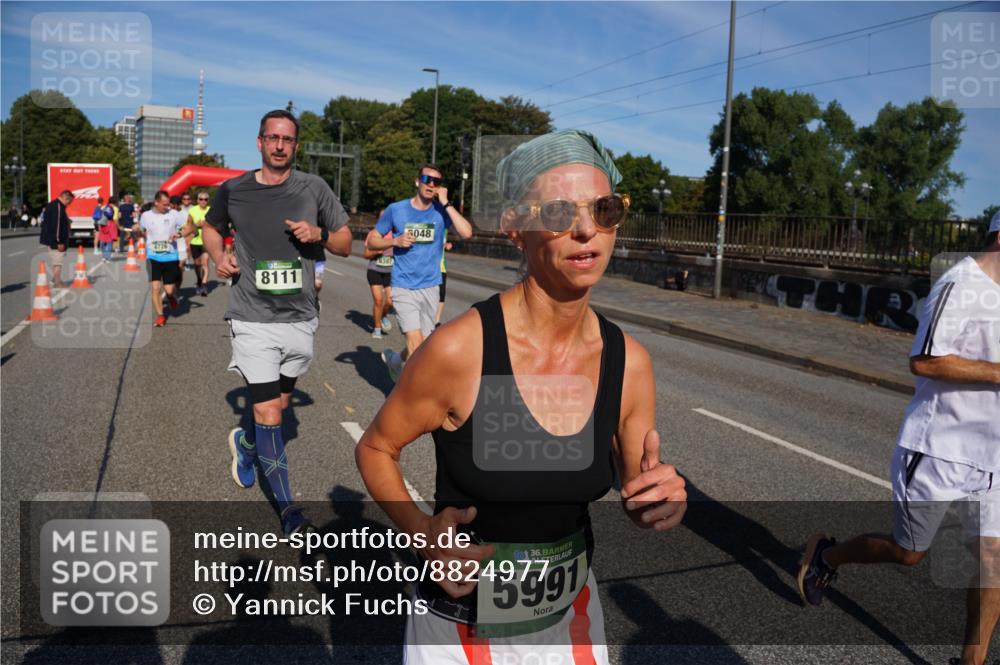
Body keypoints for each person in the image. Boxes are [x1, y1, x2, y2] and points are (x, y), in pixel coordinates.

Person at [355, 129, 686, 663]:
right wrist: (421, 532)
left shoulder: (630, 362)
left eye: (603, 209)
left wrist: (657, 500)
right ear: (516, 230)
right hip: (460, 630)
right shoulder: (462, 349)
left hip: (573, 621)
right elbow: (374, 447)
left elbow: (634, 489)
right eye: (557, 213)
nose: (585, 230)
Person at [799, 212, 1000, 665]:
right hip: (937, 450)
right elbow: (925, 361)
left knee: (993, 558)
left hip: (994, 460)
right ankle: (828, 556)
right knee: (909, 553)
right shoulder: (960, 285)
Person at [203, 109, 352, 536]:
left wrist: (318, 234)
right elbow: (212, 230)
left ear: (296, 145)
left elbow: (345, 242)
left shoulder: (314, 188)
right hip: (251, 316)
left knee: (281, 406)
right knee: (270, 413)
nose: (280, 145)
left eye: (287, 139)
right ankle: (290, 511)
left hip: (301, 317)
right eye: (272, 138)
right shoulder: (234, 189)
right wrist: (218, 256)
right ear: (260, 142)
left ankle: (245, 444)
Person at [367, 164, 473, 381]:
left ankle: (395, 361)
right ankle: (412, 399)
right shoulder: (396, 210)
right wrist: (395, 240)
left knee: (424, 344)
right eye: (427, 179)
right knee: (415, 343)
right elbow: (372, 240)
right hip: (403, 286)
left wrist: (446, 203)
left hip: (431, 286)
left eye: (436, 181)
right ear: (418, 181)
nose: (431, 184)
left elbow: (466, 233)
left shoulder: (442, 212)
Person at [135, 190, 189, 327]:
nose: (167, 207)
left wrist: (179, 233)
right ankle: (160, 315)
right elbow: (140, 232)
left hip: (171, 256)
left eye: (168, 204)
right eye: (164, 204)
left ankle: (171, 297)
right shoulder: (146, 216)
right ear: (156, 202)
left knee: (169, 290)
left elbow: (188, 227)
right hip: (153, 256)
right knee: (155, 287)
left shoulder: (174, 214)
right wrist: (136, 230)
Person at [363, 213, 394, 339]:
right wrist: (376, 251)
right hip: (375, 270)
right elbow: (365, 254)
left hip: (391, 272)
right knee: (378, 300)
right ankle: (377, 329)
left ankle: (383, 315)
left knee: (390, 301)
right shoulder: (373, 234)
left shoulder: (396, 233)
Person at [39, 190, 74, 288]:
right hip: (56, 241)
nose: (69, 204)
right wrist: (59, 241)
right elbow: (57, 226)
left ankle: (55, 280)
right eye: (69, 201)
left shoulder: (52, 205)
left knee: (56, 261)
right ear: (65, 198)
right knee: (57, 262)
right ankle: (57, 283)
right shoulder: (58, 207)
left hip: (52, 239)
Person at [188, 191, 211, 296]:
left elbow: (216, 224)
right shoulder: (192, 210)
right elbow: (188, 226)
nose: (203, 201)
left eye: (205, 199)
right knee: (197, 264)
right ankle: (199, 281)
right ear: (197, 200)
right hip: (195, 241)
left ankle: (204, 285)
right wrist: (196, 225)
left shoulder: (211, 210)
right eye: (201, 199)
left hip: (207, 241)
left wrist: (207, 224)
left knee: (205, 262)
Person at [434, 237, 453, 328]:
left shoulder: (445, 228)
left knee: (441, 294)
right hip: (427, 266)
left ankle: (436, 321)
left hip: (441, 267)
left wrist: (448, 244)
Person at [96, 196, 119, 263]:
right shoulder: (115, 208)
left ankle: (103, 257)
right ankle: (108, 257)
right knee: (109, 242)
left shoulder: (104, 207)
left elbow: (99, 215)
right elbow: (115, 218)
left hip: (103, 224)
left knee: (103, 241)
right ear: (115, 202)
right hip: (111, 225)